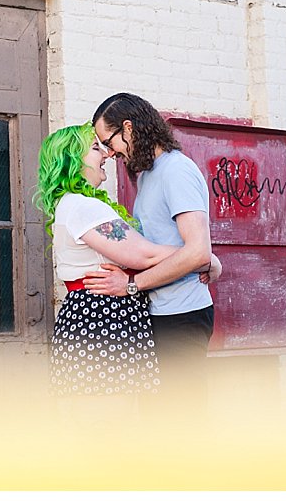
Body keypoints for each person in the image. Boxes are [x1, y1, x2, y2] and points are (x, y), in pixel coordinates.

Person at [33, 123, 218, 399]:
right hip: (102, 323)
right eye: (96, 148)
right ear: (72, 159)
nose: (106, 155)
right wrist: (203, 255)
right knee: (112, 421)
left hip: (97, 320)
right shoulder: (83, 206)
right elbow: (146, 254)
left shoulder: (73, 204)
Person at [85, 93, 217, 399]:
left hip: (182, 316)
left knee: (180, 417)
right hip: (160, 311)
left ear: (128, 128)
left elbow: (197, 250)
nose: (110, 152)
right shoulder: (148, 175)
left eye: (110, 141)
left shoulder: (176, 171)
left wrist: (131, 285)